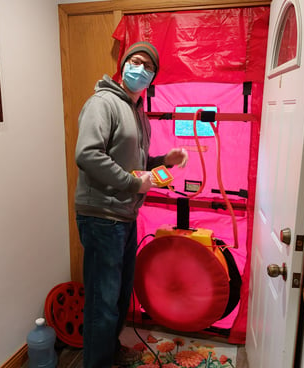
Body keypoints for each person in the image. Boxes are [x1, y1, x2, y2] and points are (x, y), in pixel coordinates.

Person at [74, 41, 188, 368]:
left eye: (147, 66)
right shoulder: (103, 103)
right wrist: (133, 183)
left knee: (120, 297)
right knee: (102, 302)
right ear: (123, 65)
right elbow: (88, 155)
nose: (139, 69)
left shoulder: (136, 110)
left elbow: (131, 162)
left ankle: (108, 353)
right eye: (134, 62)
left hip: (125, 216)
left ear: (153, 77)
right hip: (101, 218)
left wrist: (162, 160)